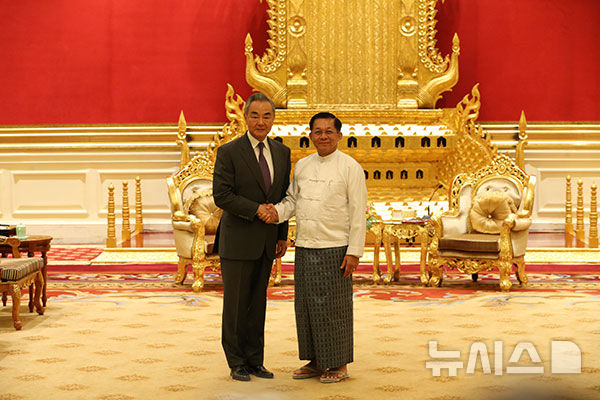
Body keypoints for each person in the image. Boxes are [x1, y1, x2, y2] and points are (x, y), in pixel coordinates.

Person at [260, 112, 367, 383]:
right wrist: (276, 213)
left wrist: (354, 251)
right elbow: (292, 201)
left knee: (334, 308)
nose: (323, 136)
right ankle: (316, 361)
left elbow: (357, 213)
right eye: (317, 132)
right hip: (306, 246)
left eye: (329, 131)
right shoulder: (304, 165)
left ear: (340, 135)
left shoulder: (350, 167)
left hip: (336, 248)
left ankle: (338, 364)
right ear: (310, 136)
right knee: (306, 307)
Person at [212, 92, 291, 381]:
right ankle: (236, 362)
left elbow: (283, 196)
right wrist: (256, 209)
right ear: (245, 118)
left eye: (267, 115)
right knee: (235, 305)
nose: (261, 121)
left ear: (273, 119)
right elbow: (222, 195)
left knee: (258, 304)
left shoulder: (282, 152)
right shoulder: (230, 152)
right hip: (238, 240)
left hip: (268, 241)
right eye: (255, 115)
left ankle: (256, 360)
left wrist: (282, 233)